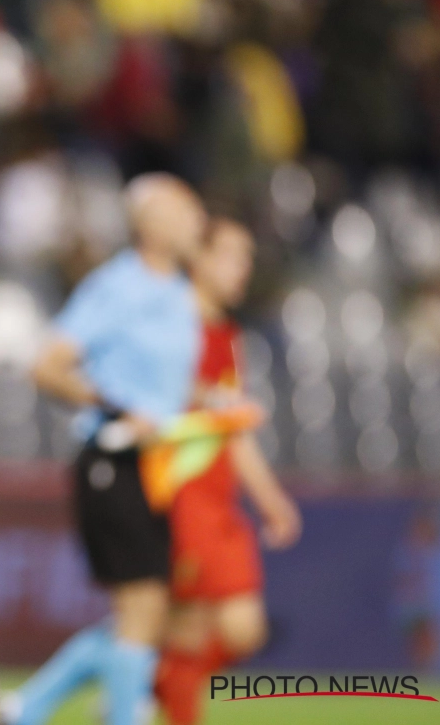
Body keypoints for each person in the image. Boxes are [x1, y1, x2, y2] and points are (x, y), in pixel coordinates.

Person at [2, 174, 206, 725]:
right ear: (152, 223)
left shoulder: (181, 293)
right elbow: (48, 367)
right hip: (113, 460)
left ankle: (28, 709)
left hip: (159, 466)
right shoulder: (117, 286)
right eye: (185, 212)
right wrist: (117, 406)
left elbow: (169, 391)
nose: (197, 224)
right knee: (141, 608)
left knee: (149, 611)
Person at [154, 219, 302, 725]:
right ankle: (161, 692)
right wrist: (212, 399)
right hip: (181, 491)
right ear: (199, 259)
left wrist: (270, 499)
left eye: (247, 258)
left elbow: (232, 430)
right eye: (232, 256)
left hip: (220, 501)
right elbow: (149, 392)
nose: (244, 269)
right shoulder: (171, 325)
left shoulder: (227, 334)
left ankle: (150, 679)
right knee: (190, 628)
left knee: (243, 630)